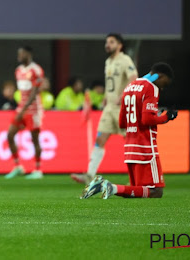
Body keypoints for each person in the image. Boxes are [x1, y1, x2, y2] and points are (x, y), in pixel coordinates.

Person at [82, 63, 177, 199]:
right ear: (160, 76)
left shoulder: (130, 86)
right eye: (164, 84)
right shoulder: (151, 87)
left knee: (137, 191)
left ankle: (106, 186)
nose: (162, 88)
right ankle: (110, 187)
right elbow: (147, 119)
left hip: (130, 148)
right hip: (145, 147)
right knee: (156, 191)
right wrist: (166, 117)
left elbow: (122, 123)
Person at [72, 33, 138, 184]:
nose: (107, 45)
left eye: (111, 42)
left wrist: (123, 95)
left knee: (130, 141)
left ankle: (137, 176)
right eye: (107, 42)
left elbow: (134, 78)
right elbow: (111, 84)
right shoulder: (108, 61)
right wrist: (107, 97)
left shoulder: (125, 60)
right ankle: (89, 175)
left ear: (119, 45)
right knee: (100, 139)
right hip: (109, 108)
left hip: (123, 108)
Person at [5, 46, 45, 179]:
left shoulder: (36, 70)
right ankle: (18, 166)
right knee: (10, 135)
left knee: (35, 139)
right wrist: (21, 108)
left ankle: (38, 169)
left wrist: (24, 108)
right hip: (21, 108)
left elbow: (35, 92)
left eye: (21, 54)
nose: (19, 56)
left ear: (28, 54)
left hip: (33, 109)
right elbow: (22, 92)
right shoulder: (18, 71)